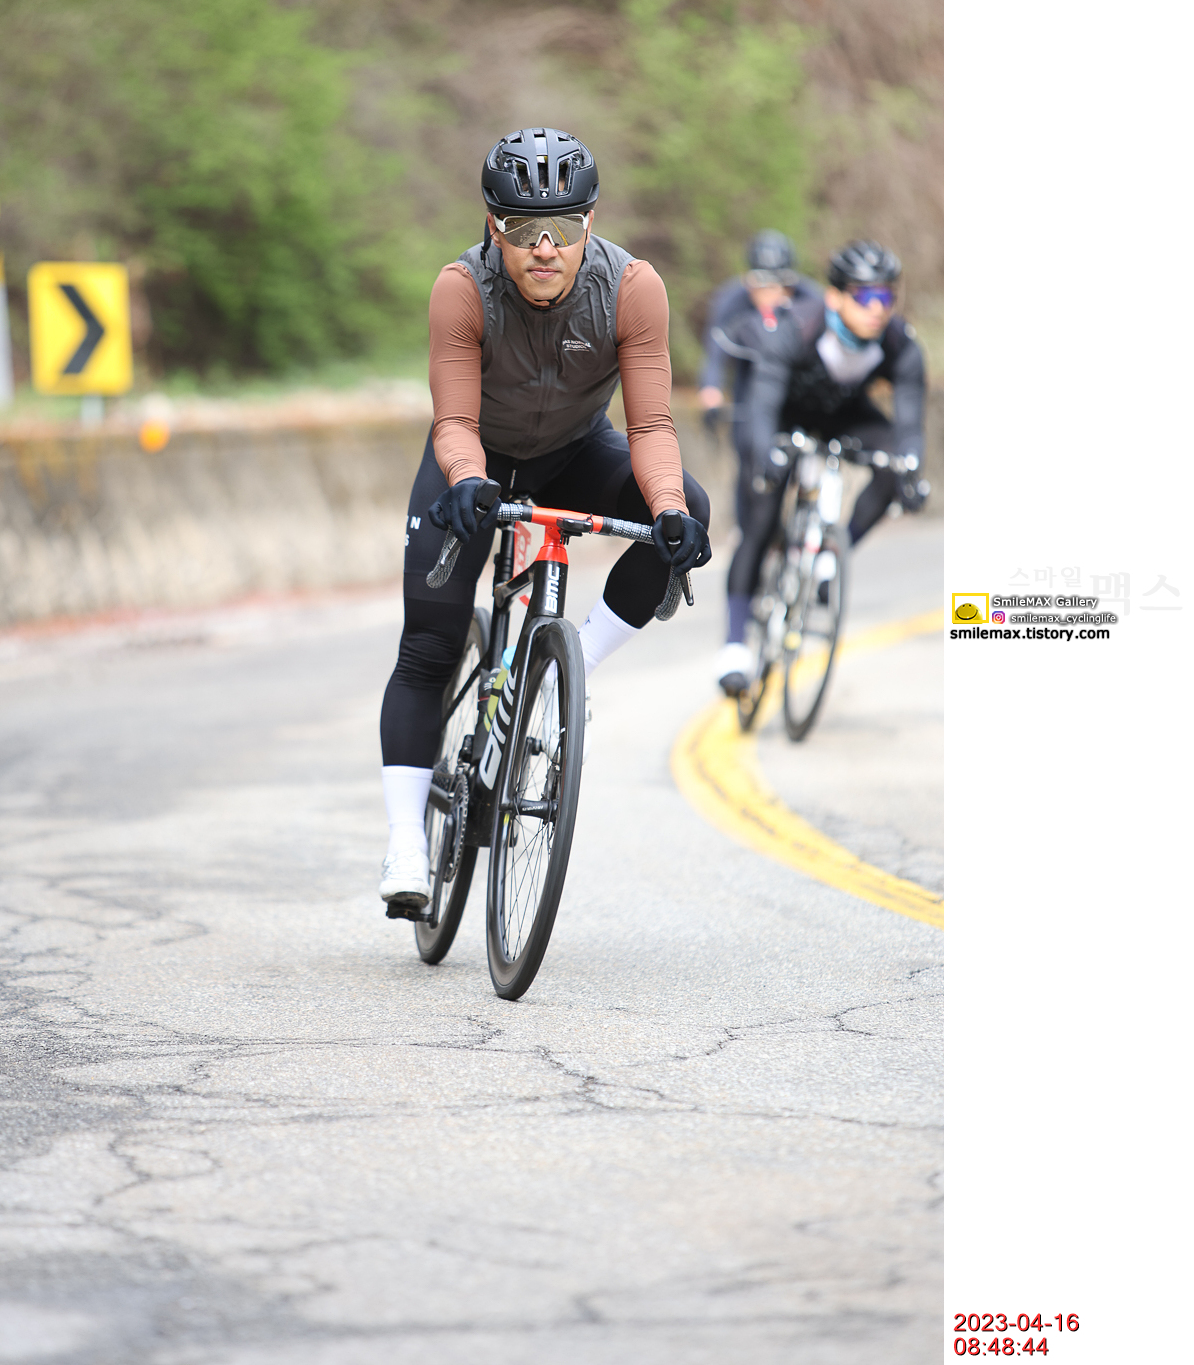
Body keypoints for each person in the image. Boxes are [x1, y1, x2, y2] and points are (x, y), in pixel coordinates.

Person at [378, 127, 713, 905]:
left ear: (588, 222)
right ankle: (405, 846)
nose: (543, 248)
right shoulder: (462, 288)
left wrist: (666, 508)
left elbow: (651, 426)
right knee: (428, 646)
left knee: (687, 503)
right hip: (475, 462)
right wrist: (467, 479)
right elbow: (454, 421)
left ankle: (574, 665)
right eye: (523, 228)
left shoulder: (632, 287)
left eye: (561, 227)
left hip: (572, 452)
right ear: (493, 225)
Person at [714, 239, 929, 695]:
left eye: (887, 296)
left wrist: (912, 469)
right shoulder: (798, 327)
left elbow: (910, 421)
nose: (878, 308)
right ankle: (734, 645)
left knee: (895, 468)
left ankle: (832, 555)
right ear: (835, 297)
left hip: (845, 413)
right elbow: (762, 403)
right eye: (865, 296)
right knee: (761, 520)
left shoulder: (898, 341)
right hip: (785, 414)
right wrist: (766, 455)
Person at [697, 230, 823, 445]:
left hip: (796, 378)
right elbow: (715, 352)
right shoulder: (731, 300)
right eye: (762, 283)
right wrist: (711, 392)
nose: (773, 293)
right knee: (748, 440)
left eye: (782, 283)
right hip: (750, 376)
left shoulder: (810, 296)